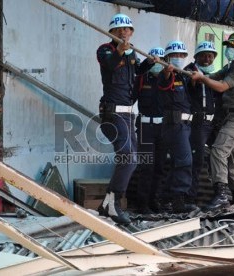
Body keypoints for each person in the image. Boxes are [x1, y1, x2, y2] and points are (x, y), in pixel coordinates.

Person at [96, 13, 159, 223]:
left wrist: (149, 63)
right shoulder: (105, 50)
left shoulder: (132, 54)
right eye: (119, 30)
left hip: (128, 115)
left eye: (127, 29)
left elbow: (137, 72)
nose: (124, 32)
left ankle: (108, 203)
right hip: (112, 113)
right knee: (128, 158)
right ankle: (113, 204)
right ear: (111, 32)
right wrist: (120, 52)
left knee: (132, 160)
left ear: (131, 33)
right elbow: (110, 66)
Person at [191, 33, 234, 211]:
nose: (229, 49)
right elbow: (215, 75)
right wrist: (195, 73)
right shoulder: (232, 65)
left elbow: (221, 86)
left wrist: (202, 78)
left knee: (218, 151)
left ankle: (221, 195)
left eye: (233, 47)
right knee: (230, 161)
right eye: (228, 46)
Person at [158, 40, 197, 213]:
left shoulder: (183, 75)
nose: (179, 58)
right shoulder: (165, 74)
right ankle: (178, 200)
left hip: (185, 125)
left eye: (181, 55)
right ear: (167, 58)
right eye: (175, 55)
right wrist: (167, 72)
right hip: (174, 125)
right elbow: (164, 82)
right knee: (184, 161)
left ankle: (165, 197)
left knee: (177, 162)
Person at [184, 41, 220, 207]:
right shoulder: (189, 70)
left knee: (219, 156)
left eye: (210, 56)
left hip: (213, 123)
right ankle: (190, 198)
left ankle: (220, 195)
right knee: (197, 160)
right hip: (197, 122)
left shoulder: (215, 73)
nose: (207, 59)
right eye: (204, 55)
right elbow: (187, 88)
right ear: (196, 56)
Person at [134, 46, 166, 214]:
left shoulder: (167, 79)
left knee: (160, 166)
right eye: (154, 60)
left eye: (160, 61)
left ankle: (155, 200)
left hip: (163, 128)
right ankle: (142, 203)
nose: (157, 63)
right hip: (145, 126)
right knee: (147, 166)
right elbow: (130, 98)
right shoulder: (141, 79)